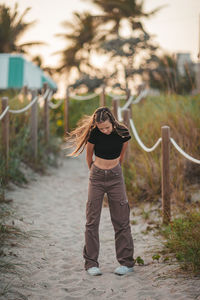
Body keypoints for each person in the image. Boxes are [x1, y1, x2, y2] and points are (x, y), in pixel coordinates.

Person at [67, 106, 134, 276]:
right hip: (96, 177)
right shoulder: (94, 133)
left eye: (107, 127)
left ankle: (126, 263)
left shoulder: (123, 132)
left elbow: (122, 157)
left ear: (112, 121)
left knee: (121, 219)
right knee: (92, 220)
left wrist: (113, 171)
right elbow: (89, 157)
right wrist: (95, 171)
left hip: (115, 177)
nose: (104, 131)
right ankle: (91, 264)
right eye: (101, 128)